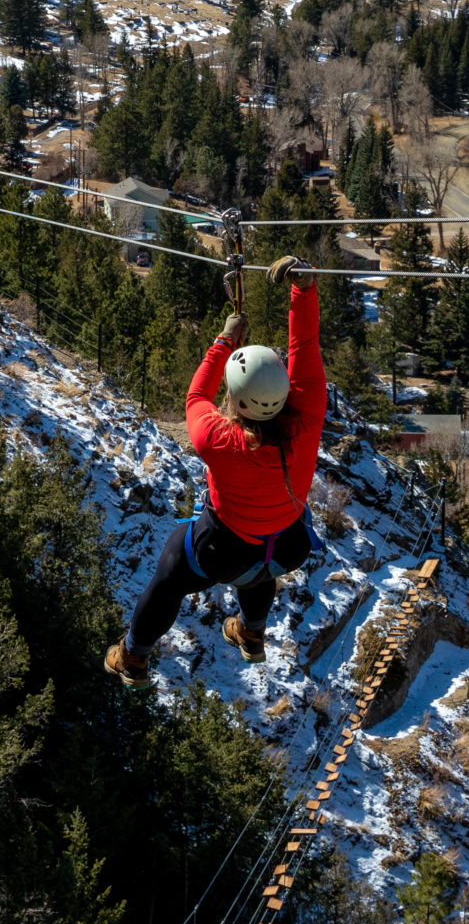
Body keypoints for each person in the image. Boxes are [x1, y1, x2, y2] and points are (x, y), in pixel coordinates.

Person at [106, 255, 324, 686]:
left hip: (223, 551)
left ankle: (133, 656)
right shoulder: (308, 417)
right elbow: (305, 348)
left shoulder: (219, 441)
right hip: (287, 545)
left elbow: (195, 397)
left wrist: (224, 340)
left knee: (170, 571)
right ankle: (251, 634)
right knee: (261, 565)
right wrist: (303, 289)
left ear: (237, 401)